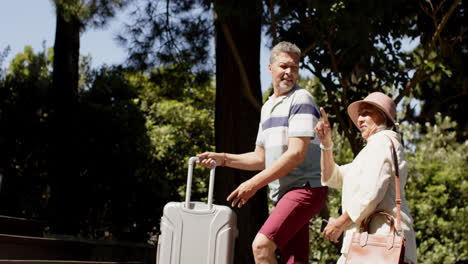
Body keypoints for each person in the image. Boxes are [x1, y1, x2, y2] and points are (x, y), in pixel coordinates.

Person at [197, 41, 327, 264]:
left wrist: (253, 184)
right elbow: (261, 158)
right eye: (284, 66)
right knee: (294, 261)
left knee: (261, 246)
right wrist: (224, 159)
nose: (289, 72)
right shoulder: (268, 107)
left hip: (305, 189)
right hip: (285, 194)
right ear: (270, 68)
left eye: (294, 68)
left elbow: (296, 154)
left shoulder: (301, 99)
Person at [314, 92, 417, 264]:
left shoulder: (382, 142)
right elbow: (334, 177)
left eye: (366, 113)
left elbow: (369, 194)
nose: (360, 119)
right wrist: (326, 144)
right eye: (359, 115)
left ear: (383, 117)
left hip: (380, 244)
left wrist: (339, 224)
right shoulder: (372, 149)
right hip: (371, 246)